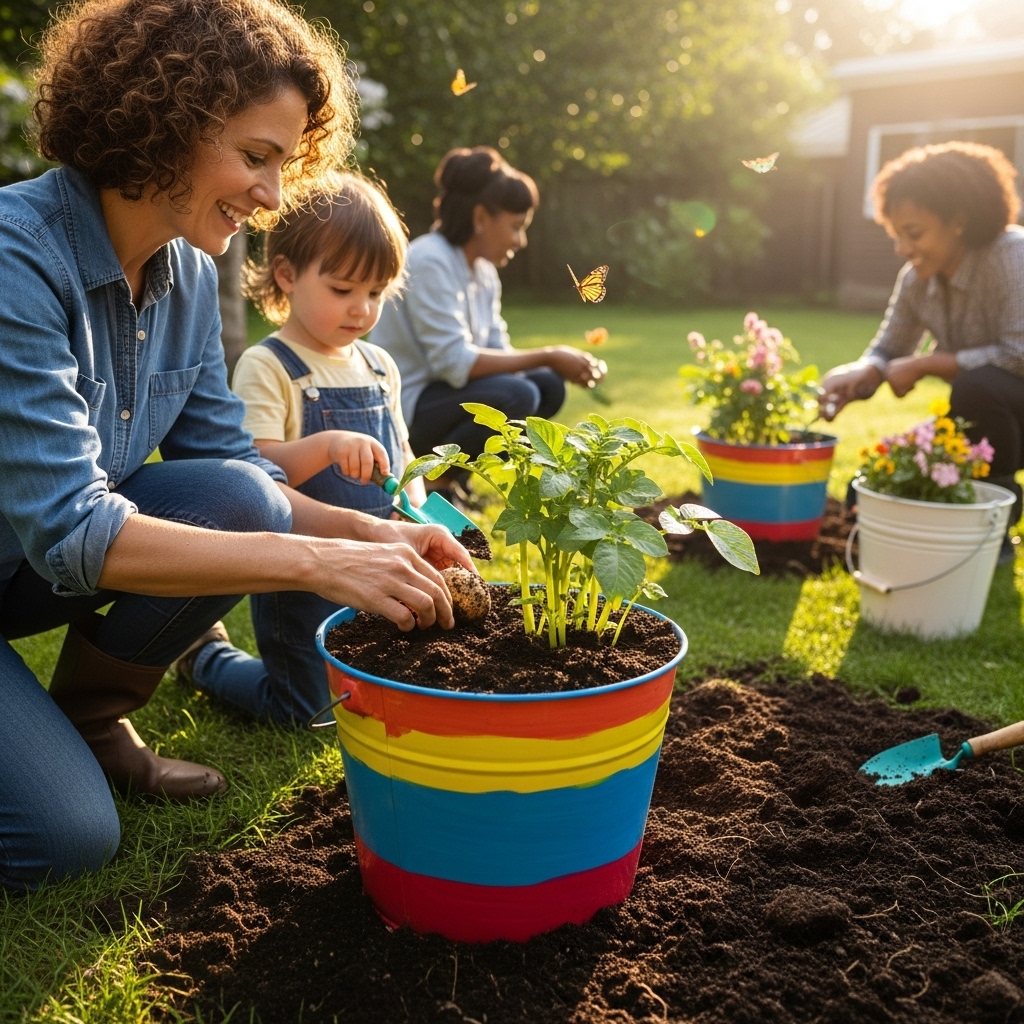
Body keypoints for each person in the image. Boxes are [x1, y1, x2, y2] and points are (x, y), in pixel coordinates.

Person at [0, 0, 470, 892]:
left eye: (284, 165)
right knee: (60, 840)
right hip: (44, 550)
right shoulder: (15, 258)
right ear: (160, 122)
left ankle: (92, 724)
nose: (272, 198)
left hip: (19, 572)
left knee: (238, 493)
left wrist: (375, 536)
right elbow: (74, 529)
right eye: (254, 158)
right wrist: (315, 563)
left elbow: (240, 468)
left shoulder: (184, 267)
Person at [180, 173, 426, 724]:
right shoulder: (270, 366)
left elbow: (404, 453)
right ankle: (206, 657)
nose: (361, 309)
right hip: (303, 569)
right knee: (309, 707)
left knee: (387, 679)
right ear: (287, 275)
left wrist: (415, 505)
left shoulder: (379, 365)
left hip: (380, 554)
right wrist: (327, 445)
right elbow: (257, 468)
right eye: (343, 289)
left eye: (376, 293)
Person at [819, 142, 1024, 551]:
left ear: (958, 222)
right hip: (987, 417)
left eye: (914, 234)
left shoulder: (1011, 256)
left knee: (976, 388)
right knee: (879, 480)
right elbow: (890, 346)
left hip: (1007, 406)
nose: (903, 249)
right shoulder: (916, 278)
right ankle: (955, 520)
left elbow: (1019, 353)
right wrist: (863, 372)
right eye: (896, 235)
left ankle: (992, 525)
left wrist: (930, 363)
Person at [369, 146, 607, 493]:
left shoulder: (483, 272)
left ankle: (453, 480)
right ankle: (435, 483)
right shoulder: (429, 259)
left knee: (548, 385)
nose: (521, 241)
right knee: (518, 395)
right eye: (515, 227)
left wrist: (563, 364)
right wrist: (548, 353)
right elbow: (454, 363)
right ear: (480, 218)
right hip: (408, 405)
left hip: (444, 394)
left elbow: (498, 350)